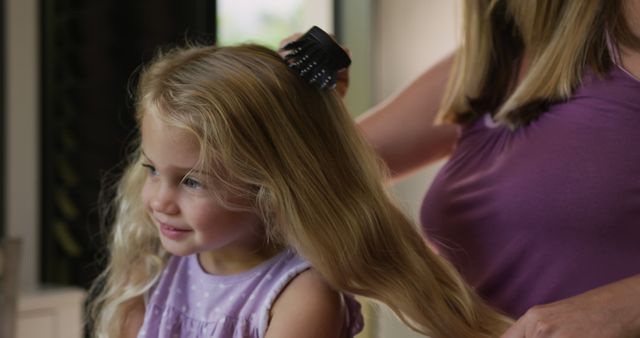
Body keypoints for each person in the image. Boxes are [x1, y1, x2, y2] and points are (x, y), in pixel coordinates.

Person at [87, 43, 513, 338]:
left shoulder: (298, 296)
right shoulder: (153, 264)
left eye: (193, 181)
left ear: (269, 183)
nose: (159, 200)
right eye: (152, 169)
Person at [355, 0, 640, 337]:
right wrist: (297, 99)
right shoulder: (492, 59)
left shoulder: (627, 27)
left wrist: (623, 306)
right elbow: (314, 169)